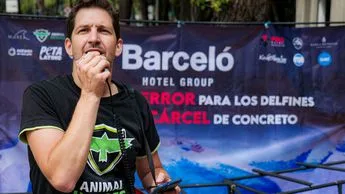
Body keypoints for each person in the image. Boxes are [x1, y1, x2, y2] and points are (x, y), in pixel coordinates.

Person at [18, 0, 181, 193]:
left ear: (118, 46)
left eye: (103, 30)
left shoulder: (135, 102)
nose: (94, 38)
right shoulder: (41, 95)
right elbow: (62, 178)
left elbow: (149, 172)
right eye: (83, 30)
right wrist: (91, 93)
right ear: (69, 47)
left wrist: (160, 182)